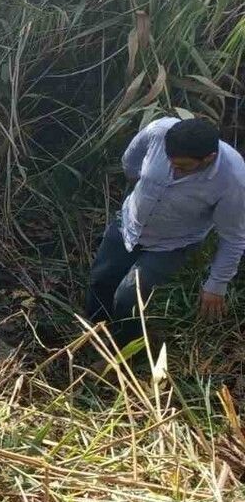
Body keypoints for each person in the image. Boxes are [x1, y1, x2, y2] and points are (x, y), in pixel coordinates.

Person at [85, 116, 245, 352]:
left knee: (128, 297)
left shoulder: (233, 180)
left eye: (182, 167)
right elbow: (130, 162)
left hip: (171, 245)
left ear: (208, 158)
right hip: (129, 223)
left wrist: (216, 285)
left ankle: (124, 352)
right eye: (169, 161)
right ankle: (95, 333)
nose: (173, 170)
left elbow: (233, 238)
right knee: (101, 279)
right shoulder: (159, 132)